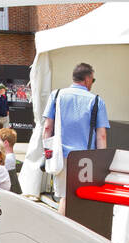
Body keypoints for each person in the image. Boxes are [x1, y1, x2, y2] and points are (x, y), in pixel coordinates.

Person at [42, 62, 109, 215]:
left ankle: (61, 232)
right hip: (86, 159)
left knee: (65, 197)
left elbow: (47, 127)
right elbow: (101, 135)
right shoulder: (97, 101)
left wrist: (47, 153)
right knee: (83, 198)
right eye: (93, 80)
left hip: (61, 155)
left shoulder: (56, 95)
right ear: (88, 79)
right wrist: (102, 162)